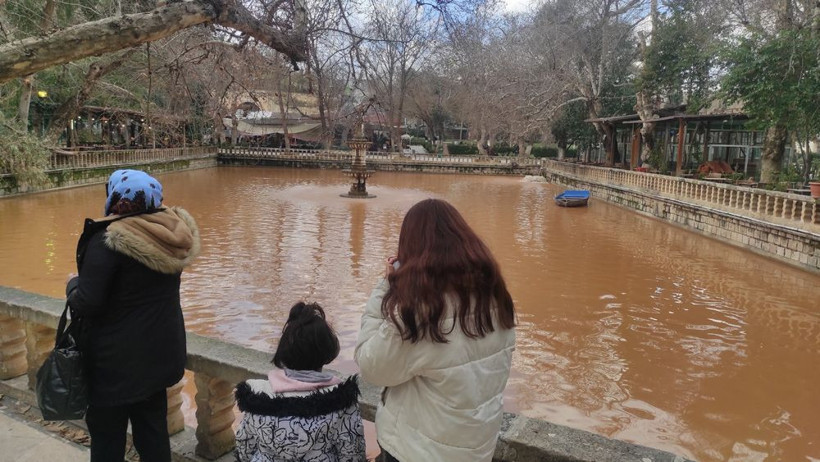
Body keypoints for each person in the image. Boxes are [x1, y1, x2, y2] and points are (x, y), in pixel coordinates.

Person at [355, 198, 516, 462]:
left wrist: (386, 286)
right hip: (477, 447)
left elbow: (371, 367)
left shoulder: (420, 312)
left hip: (419, 451)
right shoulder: (497, 297)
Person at [66, 169, 200, 462]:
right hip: (158, 358)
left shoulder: (108, 242)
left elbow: (88, 302)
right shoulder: (171, 234)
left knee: (107, 436)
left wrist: (73, 284)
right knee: (152, 433)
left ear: (114, 197)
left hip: (114, 366)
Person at [234, 301, 366, 462]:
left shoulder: (257, 397)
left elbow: (244, 447)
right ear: (327, 351)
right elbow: (352, 455)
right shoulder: (341, 402)